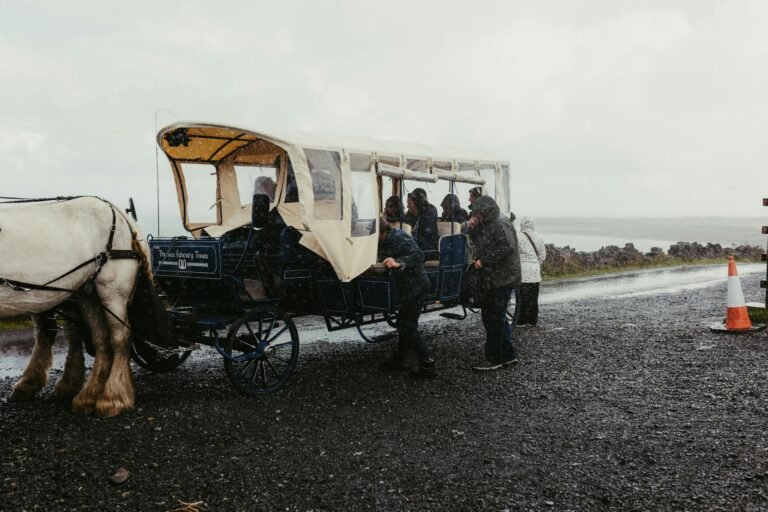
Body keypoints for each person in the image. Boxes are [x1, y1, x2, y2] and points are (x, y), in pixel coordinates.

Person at [377, 216, 436, 379]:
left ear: (382, 232)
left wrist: (398, 262)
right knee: (404, 324)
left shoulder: (399, 236)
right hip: (409, 287)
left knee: (408, 325)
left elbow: (418, 255)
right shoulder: (387, 239)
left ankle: (427, 364)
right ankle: (400, 360)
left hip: (416, 286)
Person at [466, 195, 521, 371]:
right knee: (497, 317)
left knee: (493, 318)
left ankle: (493, 358)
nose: (475, 216)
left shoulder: (499, 223)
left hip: (502, 278)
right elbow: (480, 241)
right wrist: (473, 228)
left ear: (484, 211)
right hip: (497, 277)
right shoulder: (490, 222)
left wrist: (484, 261)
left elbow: (506, 247)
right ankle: (508, 355)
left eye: (477, 213)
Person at [518, 217, 546, 327]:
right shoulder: (539, 237)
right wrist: (536, 264)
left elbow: (515, 253)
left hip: (523, 271)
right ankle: (532, 321)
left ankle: (521, 321)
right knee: (533, 298)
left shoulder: (518, 237)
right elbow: (542, 255)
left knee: (522, 298)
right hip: (534, 271)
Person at [409, 188, 439, 258]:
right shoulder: (417, 211)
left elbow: (426, 234)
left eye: (415, 200)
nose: (415, 203)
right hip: (418, 247)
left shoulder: (430, 210)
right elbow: (407, 224)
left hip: (428, 249)